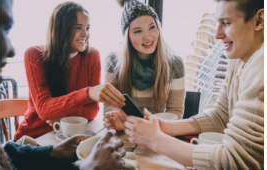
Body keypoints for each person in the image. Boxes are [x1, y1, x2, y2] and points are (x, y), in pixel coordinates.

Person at [104, 0, 264, 169]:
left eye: (226, 23)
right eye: (218, 23)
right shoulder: (239, 58)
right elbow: (220, 117)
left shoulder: (261, 65)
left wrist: (154, 139)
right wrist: (162, 126)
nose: (217, 34)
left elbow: (236, 160)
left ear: (259, 20)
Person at [0, 1, 125, 169]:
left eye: (87, 28)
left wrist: (61, 116)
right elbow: (44, 110)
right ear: (61, 28)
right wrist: (87, 93)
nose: (85, 34)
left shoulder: (92, 55)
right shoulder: (34, 54)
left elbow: (93, 110)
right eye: (78, 27)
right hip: (33, 141)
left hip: (65, 139)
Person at [103, 0, 185, 130]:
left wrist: (143, 126)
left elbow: (175, 112)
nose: (147, 37)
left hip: (158, 135)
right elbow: (110, 109)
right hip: (126, 134)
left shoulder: (175, 64)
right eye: (137, 31)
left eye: (152, 27)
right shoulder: (113, 62)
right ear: (127, 36)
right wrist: (119, 122)